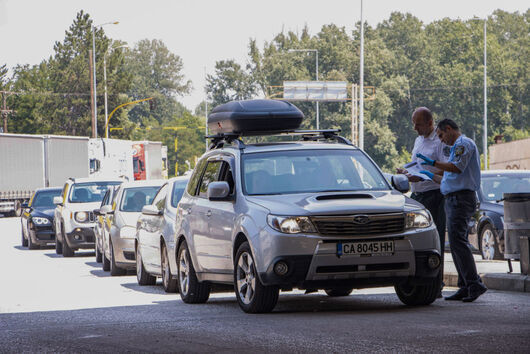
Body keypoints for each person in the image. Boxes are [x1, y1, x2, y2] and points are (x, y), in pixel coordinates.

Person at [417, 118, 487, 302]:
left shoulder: (463, 144)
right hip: (454, 198)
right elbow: (448, 177)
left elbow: (456, 168)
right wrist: (427, 174)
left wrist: (433, 162)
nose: (441, 140)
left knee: (459, 242)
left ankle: (474, 284)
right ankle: (465, 285)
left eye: (441, 135)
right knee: (455, 244)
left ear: (448, 129)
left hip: (461, 198)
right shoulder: (456, 147)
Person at [397, 107, 449, 295]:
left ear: (429, 123)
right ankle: (417, 281)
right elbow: (417, 164)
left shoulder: (440, 141)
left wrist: (425, 176)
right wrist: (407, 172)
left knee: (434, 241)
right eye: (413, 123)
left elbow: (446, 169)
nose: (415, 128)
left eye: (418, 124)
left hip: (434, 195)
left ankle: (436, 284)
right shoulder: (419, 140)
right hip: (418, 195)